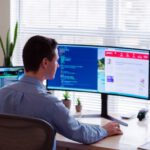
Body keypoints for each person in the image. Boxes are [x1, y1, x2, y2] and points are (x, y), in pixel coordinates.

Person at [0, 35, 122, 150]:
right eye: (56, 60)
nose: (58, 65)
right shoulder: (49, 103)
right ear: (45, 63)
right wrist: (105, 130)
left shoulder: (2, 93)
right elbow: (81, 133)